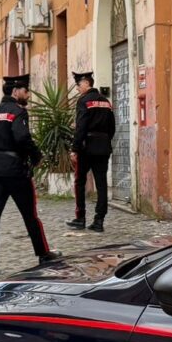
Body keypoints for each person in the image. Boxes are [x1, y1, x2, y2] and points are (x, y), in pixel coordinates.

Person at [0, 75, 60, 278]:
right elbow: (23, 137)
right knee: (30, 215)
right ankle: (43, 254)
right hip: (15, 170)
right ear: (15, 91)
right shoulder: (18, 112)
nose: (28, 95)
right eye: (26, 91)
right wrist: (36, 157)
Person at [67, 71, 115, 233]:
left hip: (86, 147)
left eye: (78, 85)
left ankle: (80, 218)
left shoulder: (84, 101)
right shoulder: (106, 102)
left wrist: (75, 148)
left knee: (80, 181)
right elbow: (112, 127)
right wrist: (104, 141)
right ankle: (99, 220)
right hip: (103, 147)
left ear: (86, 83)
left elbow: (81, 127)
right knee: (101, 183)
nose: (77, 88)